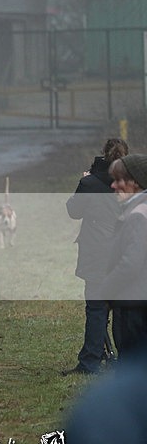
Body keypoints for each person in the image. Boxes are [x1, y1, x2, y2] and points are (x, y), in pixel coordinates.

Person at [63, 138, 128, 375]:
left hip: (97, 253)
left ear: (103, 154)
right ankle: (126, 363)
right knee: (123, 309)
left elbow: (74, 211)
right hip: (126, 251)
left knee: (97, 308)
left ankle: (91, 360)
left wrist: (84, 180)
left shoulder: (89, 182)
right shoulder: (134, 182)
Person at [97, 153, 147, 358]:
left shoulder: (138, 215)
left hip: (133, 308)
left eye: (118, 180)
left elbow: (131, 263)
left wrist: (106, 290)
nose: (113, 186)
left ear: (135, 182)